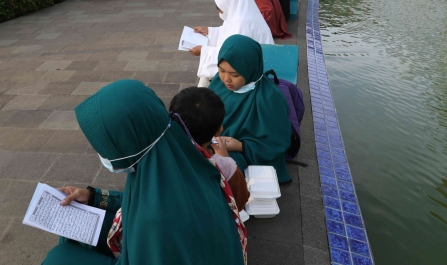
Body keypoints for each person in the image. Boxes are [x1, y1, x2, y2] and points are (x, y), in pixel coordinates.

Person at [41, 80, 247, 265]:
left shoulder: (157, 219)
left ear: (130, 143)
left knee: (58, 258)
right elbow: (145, 200)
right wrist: (95, 197)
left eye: (108, 146)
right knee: (73, 233)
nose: (103, 154)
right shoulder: (175, 156)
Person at [208, 35, 292, 183]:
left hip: (244, 153)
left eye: (235, 74)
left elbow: (277, 142)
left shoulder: (270, 99)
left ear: (250, 69)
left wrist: (241, 146)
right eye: (221, 70)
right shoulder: (218, 82)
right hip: (214, 142)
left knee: (221, 172)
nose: (226, 79)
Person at [168, 87, 250, 211]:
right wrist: (224, 157)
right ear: (218, 131)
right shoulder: (225, 166)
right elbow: (239, 200)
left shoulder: (154, 155)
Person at [190, 0, 274, 81]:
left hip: (251, 72)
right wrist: (209, 30)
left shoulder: (242, 23)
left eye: (219, 7)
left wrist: (204, 51)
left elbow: (233, 54)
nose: (219, 10)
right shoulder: (241, 14)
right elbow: (227, 31)